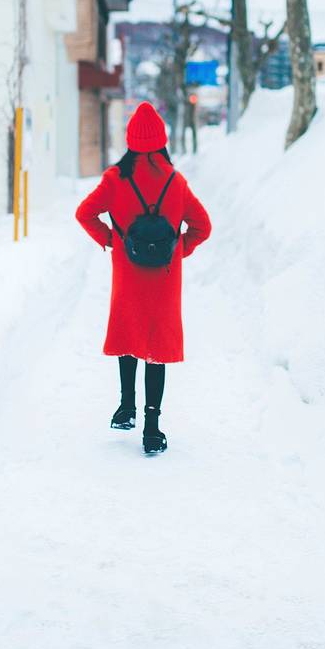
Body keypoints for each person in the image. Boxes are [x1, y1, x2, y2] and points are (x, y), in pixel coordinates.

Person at [75, 101, 211, 454]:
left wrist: (111, 239)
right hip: (165, 278)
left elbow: (85, 213)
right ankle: (152, 427)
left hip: (128, 275)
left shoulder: (115, 179)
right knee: (157, 348)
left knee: (128, 334)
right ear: (162, 140)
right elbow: (203, 226)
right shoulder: (175, 182)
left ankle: (126, 407)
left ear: (131, 141)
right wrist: (178, 250)